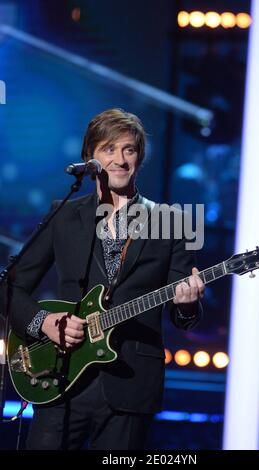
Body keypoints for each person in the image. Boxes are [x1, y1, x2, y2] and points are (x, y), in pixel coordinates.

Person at [9, 108, 204, 450]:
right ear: (91, 158)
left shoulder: (171, 221)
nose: (120, 160)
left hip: (129, 383)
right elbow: (9, 286)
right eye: (109, 149)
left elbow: (182, 317)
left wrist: (187, 306)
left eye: (129, 149)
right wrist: (45, 322)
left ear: (139, 157)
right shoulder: (64, 214)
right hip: (60, 375)